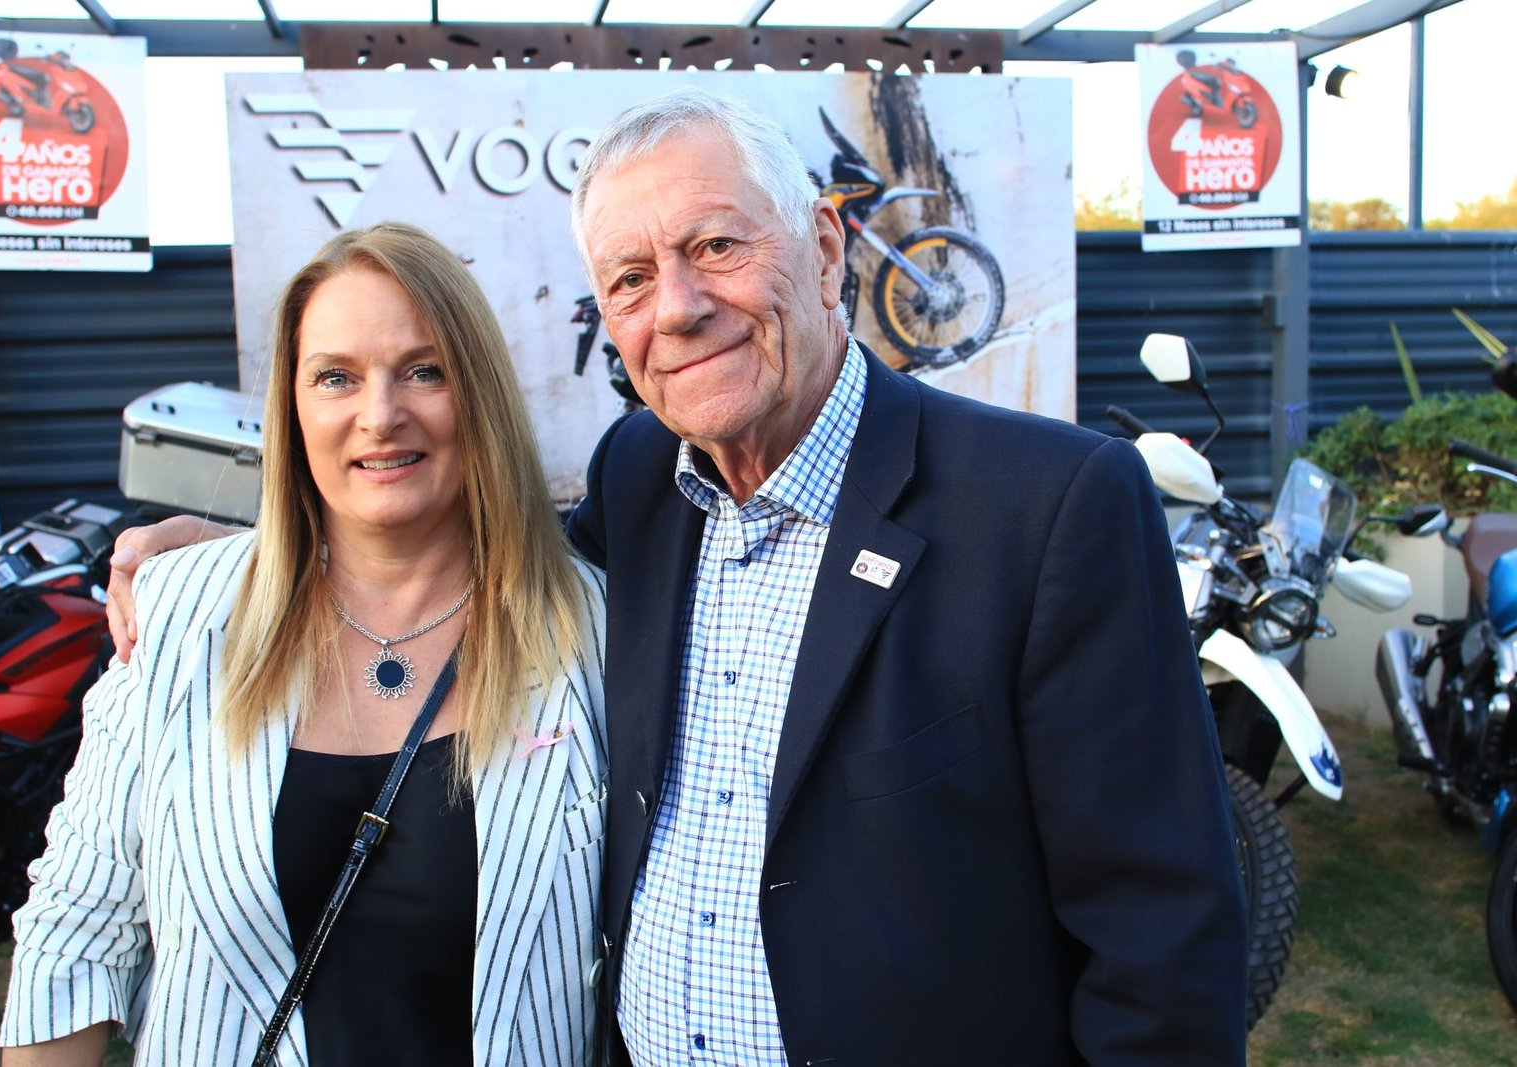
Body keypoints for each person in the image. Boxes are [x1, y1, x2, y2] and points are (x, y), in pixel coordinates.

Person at [108, 90, 1247, 1064]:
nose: (679, 308)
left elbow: (1162, 935)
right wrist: (243, 551)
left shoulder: (1048, 508)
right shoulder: (640, 481)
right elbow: (464, 552)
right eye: (630, 278)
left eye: (715, 247)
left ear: (824, 248)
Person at [2, 222, 607, 1066]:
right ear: (291, 406)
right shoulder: (181, 616)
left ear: (480, 392)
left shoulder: (590, 629)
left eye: (424, 370)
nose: (380, 415)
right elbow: (76, 930)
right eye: (335, 377)